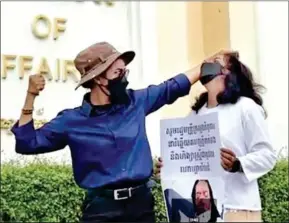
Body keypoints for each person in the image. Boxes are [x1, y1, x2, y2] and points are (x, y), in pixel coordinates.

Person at [11, 41, 232, 222]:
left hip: (141, 206)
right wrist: (30, 96)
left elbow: (171, 87)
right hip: (101, 211)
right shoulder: (72, 121)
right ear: (98, 79)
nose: (124, 77)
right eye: (118, 72)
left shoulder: (136, 102)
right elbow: (27, 143)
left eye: (125, 70)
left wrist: (204, 64)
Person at [155, 53, 277, 222]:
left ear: (229, 73)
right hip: (203, 212)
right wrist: (169, 165)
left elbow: (267, 155)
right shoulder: (196, 113)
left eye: (215, 62)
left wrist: (238, 164)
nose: (206, 63)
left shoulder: (245, 107)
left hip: (237, 208)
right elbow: (189, 161)